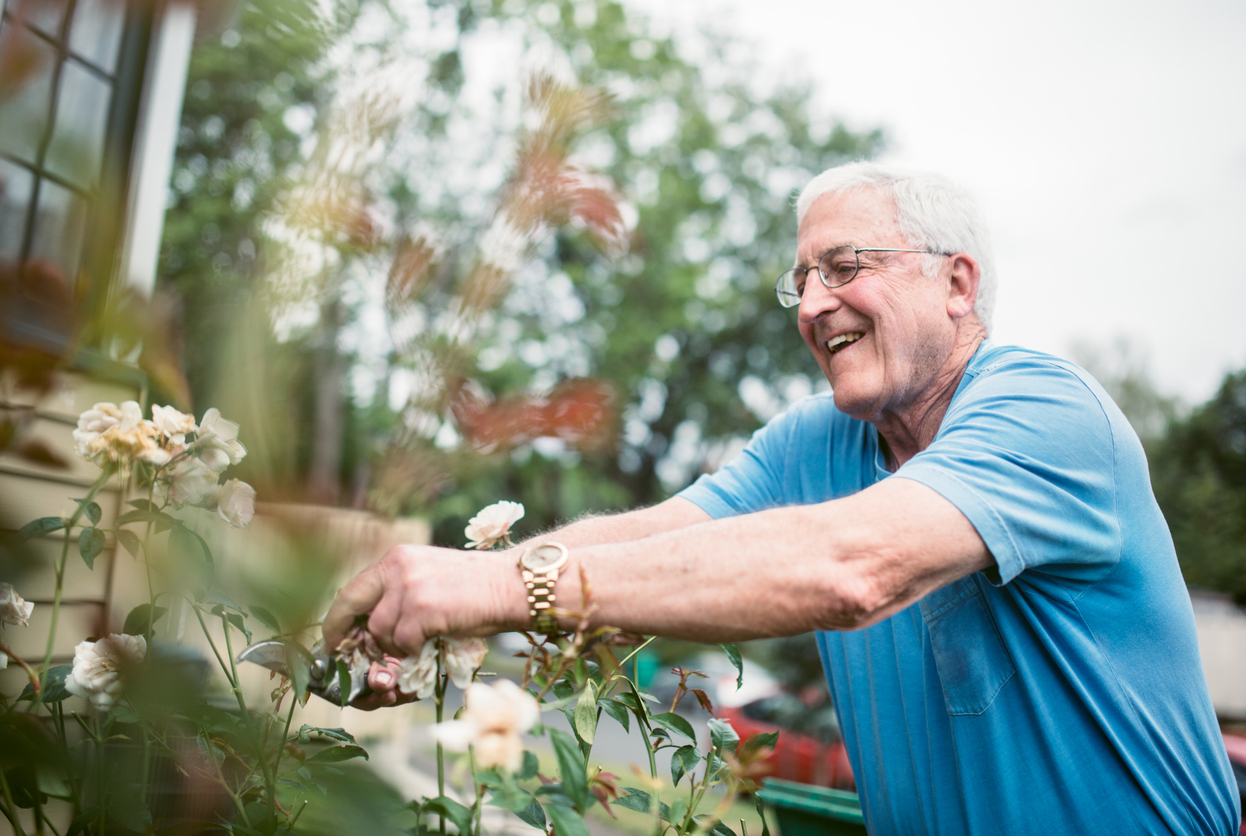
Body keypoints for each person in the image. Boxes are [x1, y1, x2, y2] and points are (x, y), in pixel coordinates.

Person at [322, 162, 1240, 835]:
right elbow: (654, 537)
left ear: (956, 283)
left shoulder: (1045, 410)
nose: (811, 305)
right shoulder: (818, 441)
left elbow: (849, 567)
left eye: (844, 268)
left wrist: (491, 593)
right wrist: (457, 597)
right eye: (800, 280)